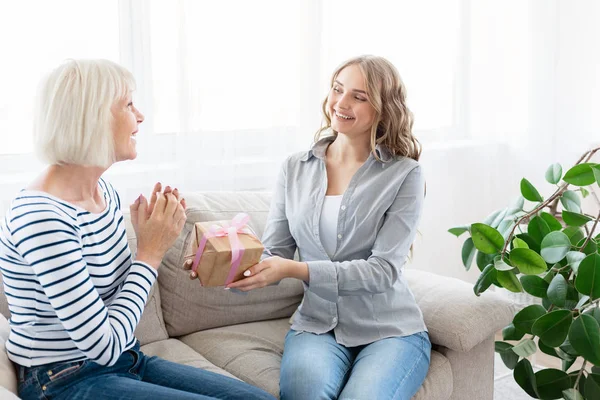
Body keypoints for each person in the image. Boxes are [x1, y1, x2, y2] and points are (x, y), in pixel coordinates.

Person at [0, 59, 274, 400]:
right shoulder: (42, 218)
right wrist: (150, 254)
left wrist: (171, 246)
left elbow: (113, 300)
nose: (140, 117)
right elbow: (102, 345)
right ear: (93, 117)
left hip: (125, 359)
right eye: (128, 105)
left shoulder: (103, 193)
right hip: (65, 378)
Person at [227, 55, 430, 400]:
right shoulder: (295, 168)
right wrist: (227, 263)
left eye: (359, 96)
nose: (341, 103)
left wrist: (297, 269)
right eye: (338, 90)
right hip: (317, 326)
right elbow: (276, 250)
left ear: (384, 108)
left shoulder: (404, 175)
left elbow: (382, 271)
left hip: (390, 329)